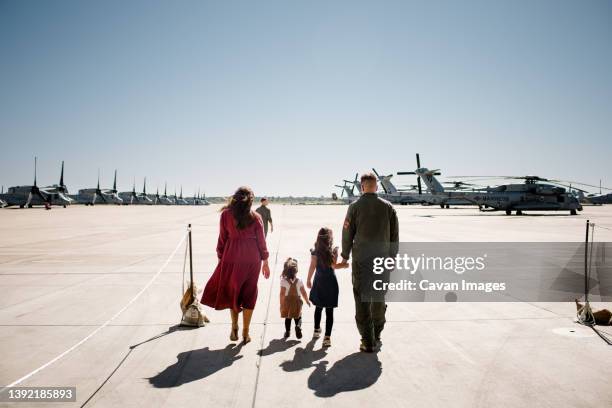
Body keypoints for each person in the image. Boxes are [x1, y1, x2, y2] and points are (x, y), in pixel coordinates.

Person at [201, 186, 271, 344]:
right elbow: (262, 243)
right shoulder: (256, 217)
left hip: (231, 257)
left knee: (234, 292)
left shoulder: (226, 215)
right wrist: (265, 262)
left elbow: (222, 239)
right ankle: (246, 332)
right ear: (250, 201)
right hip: (252, 260)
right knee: (249, 293)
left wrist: (221, 257)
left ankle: (234, 327)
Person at [338, 172, 399, 352]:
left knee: (362, 298)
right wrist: (393, 257)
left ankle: (367, 340)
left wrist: (344, 255)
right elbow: (395, 235)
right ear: (377, 187)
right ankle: (377, 333)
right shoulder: (389, 207)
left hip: (362, 261)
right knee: (379, 297)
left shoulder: (354, 207)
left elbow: (347, 233)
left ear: (362, 187)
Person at [307, 227, 348, 348]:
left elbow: (312, 266)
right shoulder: (332, 252)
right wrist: (345, 265)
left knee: (318, 308)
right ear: (329, 239)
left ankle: (316, 330)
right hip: (330, 283)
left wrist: (309, 279)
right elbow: (334, 266)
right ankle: (327, 337)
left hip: (319, 282)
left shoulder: (315, 252)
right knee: (329, 312)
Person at [280, 258, 310, 339]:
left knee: (288, 318)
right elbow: (303, 292)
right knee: (298, 317)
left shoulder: (283, 281)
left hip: (287, 302)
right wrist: (307, 300)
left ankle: (287, 332)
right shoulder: (299, 281)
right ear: (296, 271)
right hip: (297, 302)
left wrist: (281, 304)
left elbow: (282, 294)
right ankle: (298, 326)